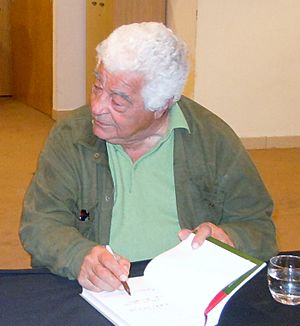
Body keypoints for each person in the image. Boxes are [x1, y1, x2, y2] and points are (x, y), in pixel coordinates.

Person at [20, 22, 277, 293]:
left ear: (161, 105)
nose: (97, 107)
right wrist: (79, 256)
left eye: (118, 101)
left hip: (187, 289)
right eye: (97, 86)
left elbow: (258, 227)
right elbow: (40, 222)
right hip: (99, 293)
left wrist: (231, 239)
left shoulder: (212, 139)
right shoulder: (71, 135)